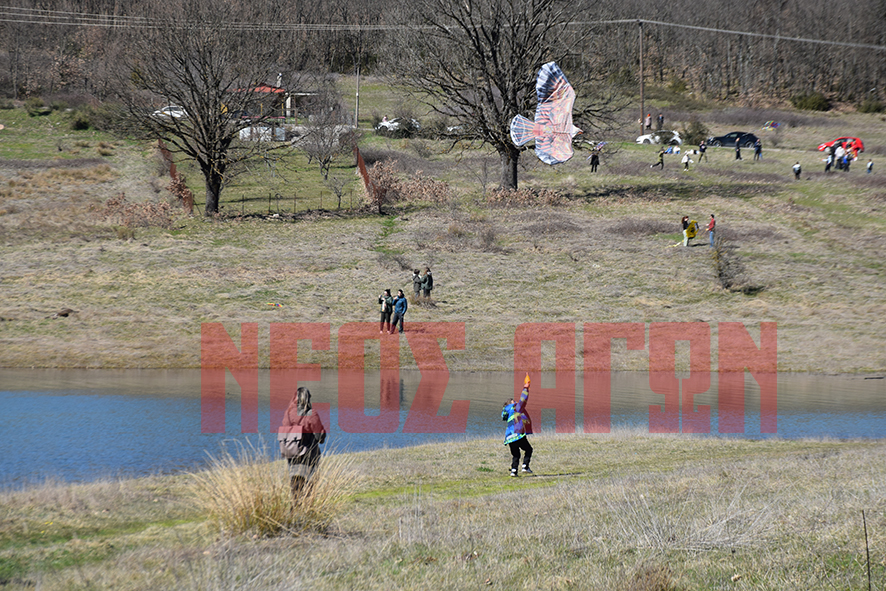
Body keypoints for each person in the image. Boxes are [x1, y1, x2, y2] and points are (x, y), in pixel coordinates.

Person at [280, 387, 326, 496]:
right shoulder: (311, 413)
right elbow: (319, 436)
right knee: (310, 482)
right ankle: (307, 506)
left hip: (292, 453)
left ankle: (295, 506)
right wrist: (322, 434)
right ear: (308, 398)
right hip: (309, 454)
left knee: (295, 483)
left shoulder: (288, 413)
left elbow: (285, 431)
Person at [502, 374, 533, 477]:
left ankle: (513, 472)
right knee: (528, 449)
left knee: (516, 454)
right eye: (513, 401)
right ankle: (525, 466)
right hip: (517, 434)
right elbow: (523, 399)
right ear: (511, 403)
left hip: (509, 437)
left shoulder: (507, 412)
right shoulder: (515, 407)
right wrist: (526, 387)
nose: (515, 402)